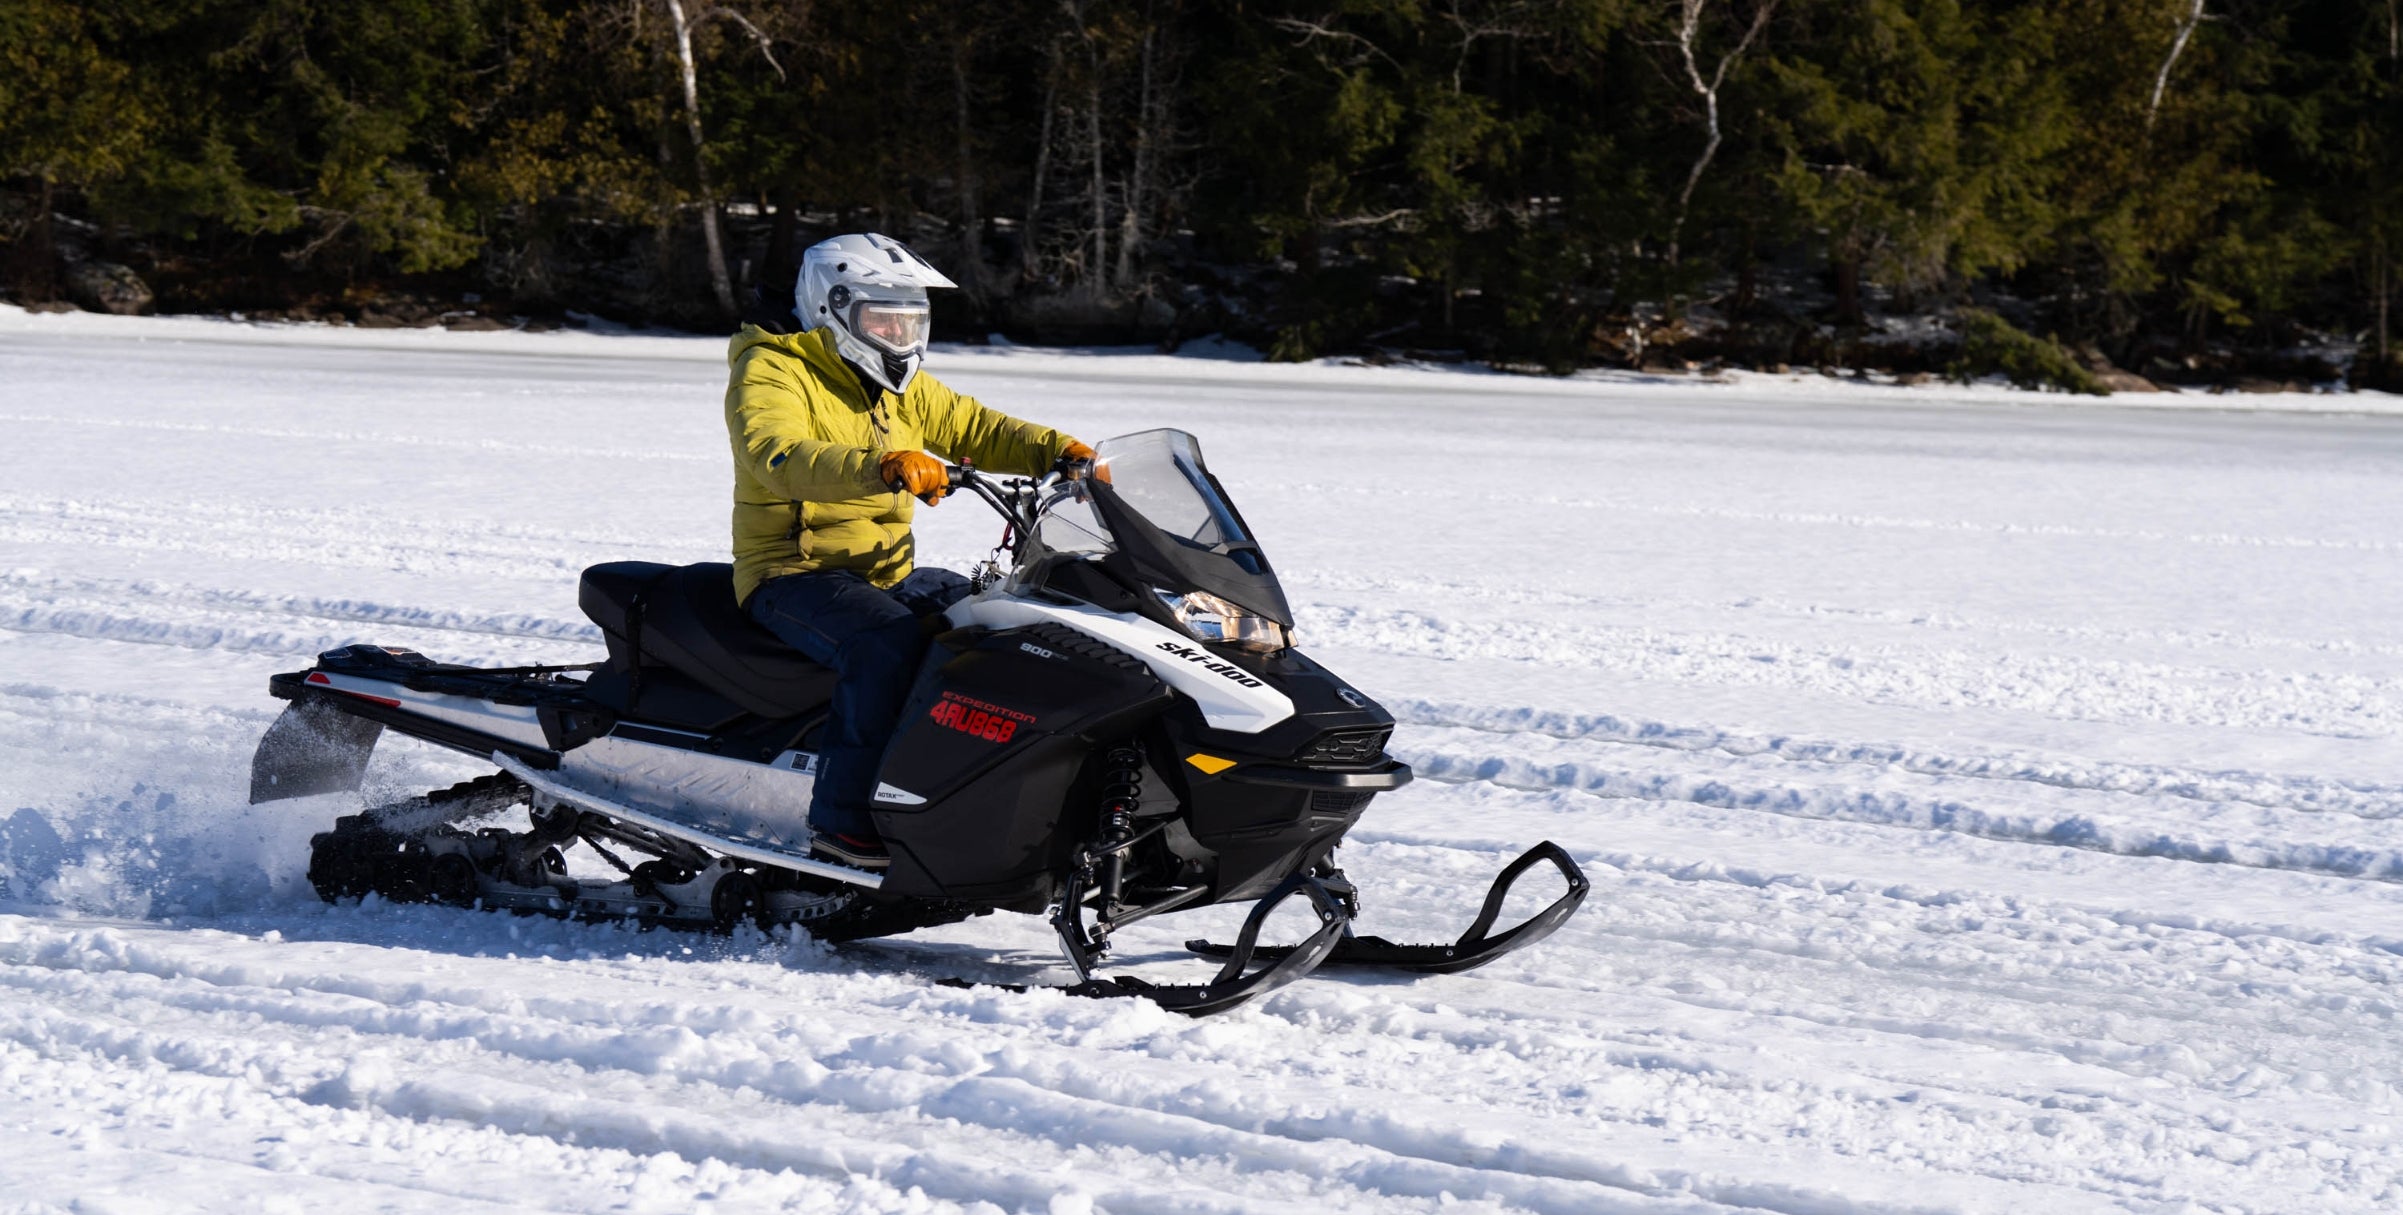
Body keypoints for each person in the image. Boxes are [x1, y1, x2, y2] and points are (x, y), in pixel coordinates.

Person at [723, 232, 1091, 869]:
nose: (898, 334)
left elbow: (976, 427)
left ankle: (963, 797)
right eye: (882, 318)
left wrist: (1063, 451)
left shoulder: (896, 384)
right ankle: (842, 830)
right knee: (887, 648)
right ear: (829, 308)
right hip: (793, 572)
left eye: (909, 320)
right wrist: (883, 465)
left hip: (883, 572)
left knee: (1003, 622)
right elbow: (777, 456)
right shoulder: (772, 368)